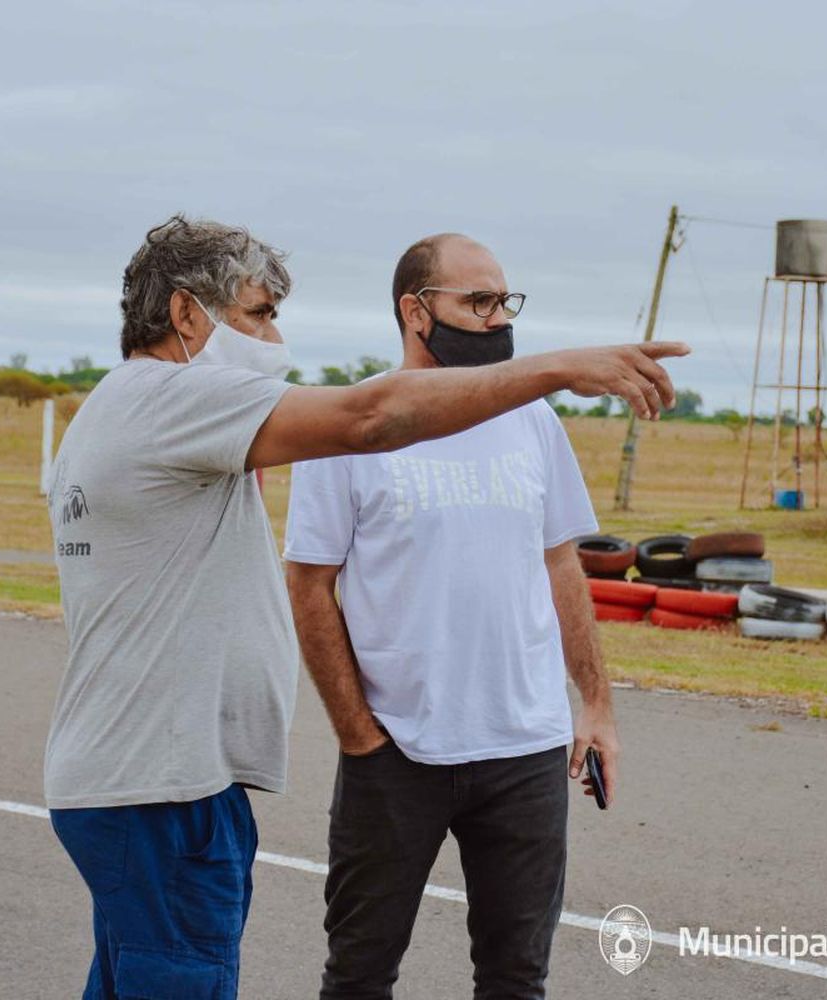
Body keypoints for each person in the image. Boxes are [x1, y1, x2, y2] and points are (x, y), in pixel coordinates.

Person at [44, 214, 686, 1000]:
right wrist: (560, 368)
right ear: (185, 315)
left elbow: (556, 560)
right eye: (259, 313)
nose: (276, 339)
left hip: (149, 780)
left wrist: (592, 700)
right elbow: (369, 419)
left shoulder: (127, 410)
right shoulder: (170, 402)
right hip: (164, 791)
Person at [284, 233, 628, 999]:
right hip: (397, 752)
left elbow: (560, 563)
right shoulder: (353, 426)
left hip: (526, 750)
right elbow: (310, 584)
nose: (499, 319)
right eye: (477, 302)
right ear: (415, 311)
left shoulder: (533, 421)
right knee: (360, 975)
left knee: (515, 978)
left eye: (506, 301)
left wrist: (596, 705)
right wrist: (358, 735)